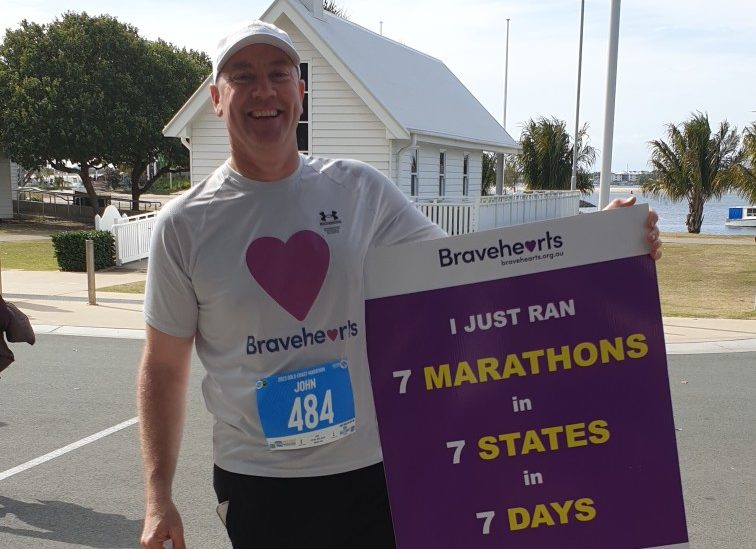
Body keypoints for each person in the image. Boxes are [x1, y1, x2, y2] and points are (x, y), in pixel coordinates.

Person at [137, 21, 662, 549]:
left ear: (300, 92)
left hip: (376, 469)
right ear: (216, 98)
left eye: (279, 75)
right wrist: (158, 496)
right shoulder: (186, 225)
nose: (264, 91)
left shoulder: (359, 191)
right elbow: (162, 367)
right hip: (259, 479)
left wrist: (600, 246)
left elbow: (465, 268)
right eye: (243, 76)